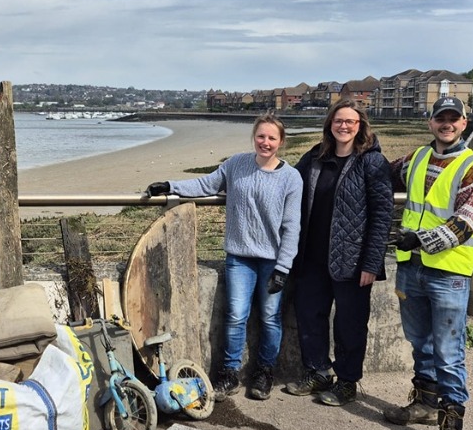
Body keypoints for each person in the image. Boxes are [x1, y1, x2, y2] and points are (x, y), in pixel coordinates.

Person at [144, 113, 302, 401]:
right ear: (254, 136)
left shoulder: (291, 177)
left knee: (269, 317)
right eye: (261, 136)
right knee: (235, 316)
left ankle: (264, 372)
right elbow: (206, 185)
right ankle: (229, 374)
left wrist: (283, 267)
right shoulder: (236, 164)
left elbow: (292, 227)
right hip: (239, 258)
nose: (265, 142)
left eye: (271, 138)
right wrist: (170, 186)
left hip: (272, 260)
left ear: (281, 142)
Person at [384, 95, 473, 430]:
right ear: (430, 122)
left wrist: (421, 239)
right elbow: (381, 171)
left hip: (448, 272)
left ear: (464, 123)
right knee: (420, 342)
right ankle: (425, 403)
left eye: (454, 119)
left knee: (449, 353)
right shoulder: (416, 158)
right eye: (440, 118)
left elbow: (467, 220)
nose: (446, 124)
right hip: (411, 268)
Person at [282, 100, 393, 406]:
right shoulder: (316, 157)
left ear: (361, 126)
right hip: (311, 257)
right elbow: (287, 183)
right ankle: (318, 371)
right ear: (330, 124)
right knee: (309, 316)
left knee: (350, 323)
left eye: (350, 122)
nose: (343, 126)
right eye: (338, 121)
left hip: (353, 260)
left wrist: (372, 262)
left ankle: (347, 381)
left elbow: (382, 214)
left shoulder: (371, 162)